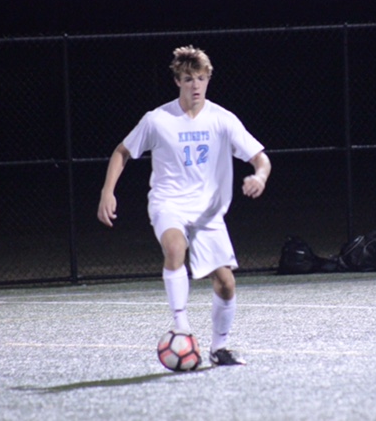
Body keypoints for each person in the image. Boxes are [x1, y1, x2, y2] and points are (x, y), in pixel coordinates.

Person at [97, 45, 271, 365]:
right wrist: (108, 191)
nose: (196, 85)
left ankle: (220, 348)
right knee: (175, 247)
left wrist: (259, 176)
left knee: (226, 283)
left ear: (208, 79)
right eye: (189, 78)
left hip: (207, 212)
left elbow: (260, 158)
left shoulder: (222, 119)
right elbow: (122, 151)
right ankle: (182, 329)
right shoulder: (157, 120)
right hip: (169, 203)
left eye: (201, 78)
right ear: (177, 80)